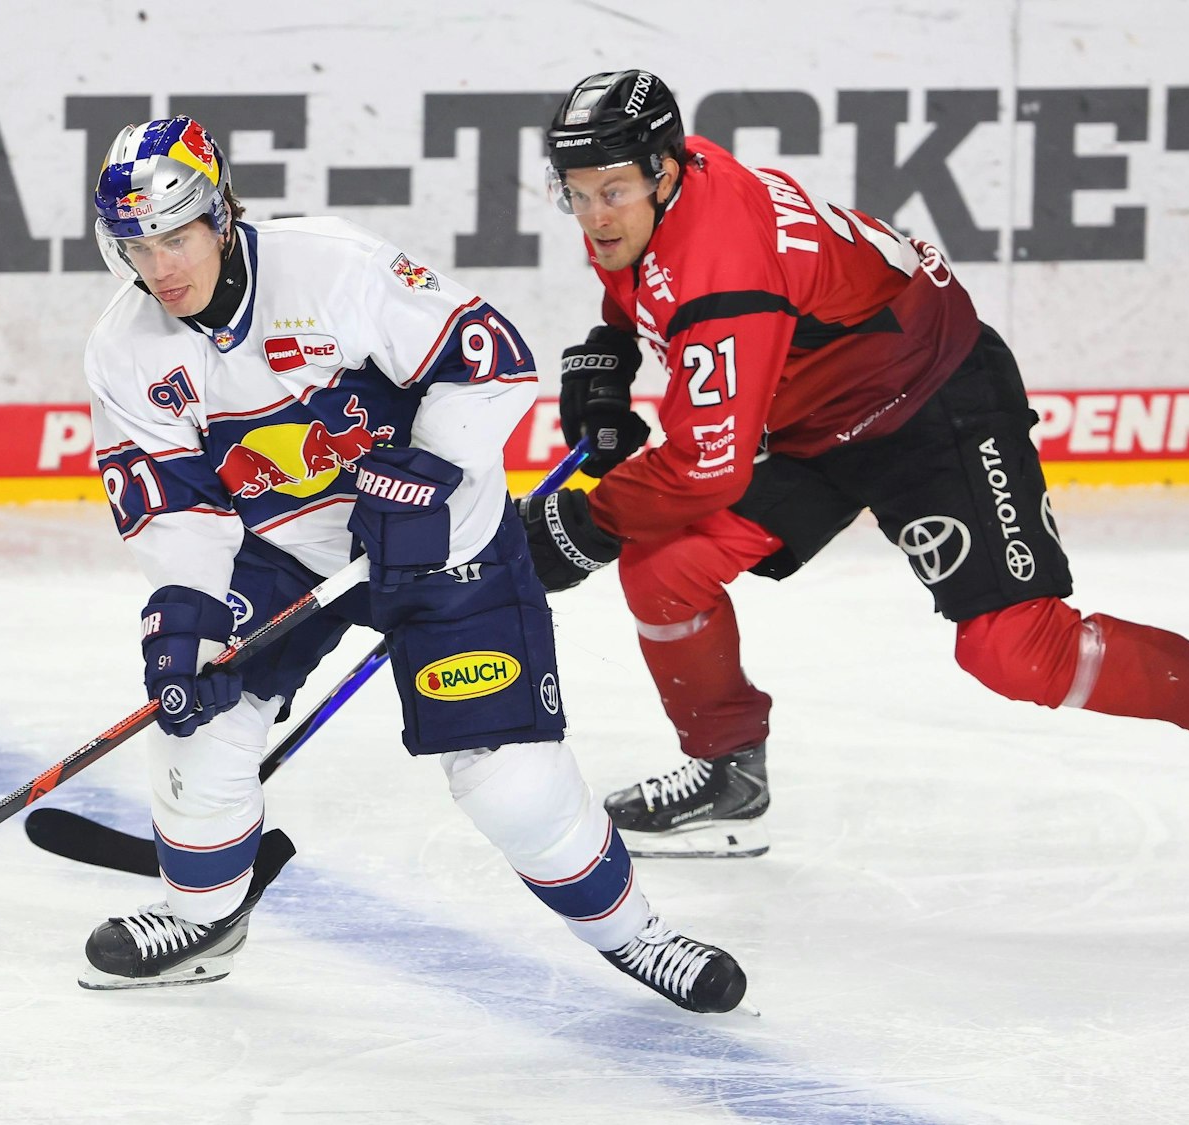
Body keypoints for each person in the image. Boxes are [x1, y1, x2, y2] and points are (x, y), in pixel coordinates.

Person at [519, 70, 1189, 858]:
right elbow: (655, 287)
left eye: (613, 192)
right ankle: (728, 773)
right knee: (665, 569)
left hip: (931, 398)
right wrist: (611, 347)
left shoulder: (722, 269)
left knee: (1019, 652)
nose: (597, 216)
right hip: (816, 412)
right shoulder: (669, 186)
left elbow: (708, 465)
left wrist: (582, 525)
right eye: (578, 194)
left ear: (666, 173)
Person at [78, 115, 746, 1012]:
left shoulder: (333, 268)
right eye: (138, 246)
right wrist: (185, 610)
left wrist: (429, 470)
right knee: (200, 718)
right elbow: (176, 505)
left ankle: (638, 935)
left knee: (508, 780)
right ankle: (201, 917)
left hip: (447, 544)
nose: (161, 267)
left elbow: (492, 359)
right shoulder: (124, 349)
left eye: (176, 237)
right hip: (286, 553)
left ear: (222, 216)